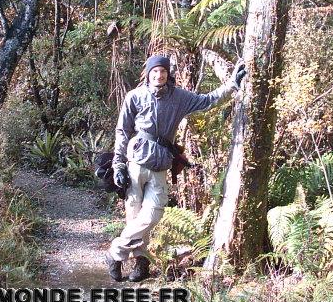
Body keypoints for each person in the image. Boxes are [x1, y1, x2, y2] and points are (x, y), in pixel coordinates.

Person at [105, 54, 246, 282]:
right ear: (148, 74)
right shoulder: (135, 96)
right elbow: (122, 131)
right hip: (136, 162)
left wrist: (232, 84)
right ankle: (141, 265)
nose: (159, 75)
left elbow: (208, 100)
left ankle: (115, 253)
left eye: (163, 71)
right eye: (154, 71)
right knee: (134, 216)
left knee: (151, 215)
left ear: (168, 73)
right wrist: (118, 164)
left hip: (161, 163)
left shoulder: (179, 97)